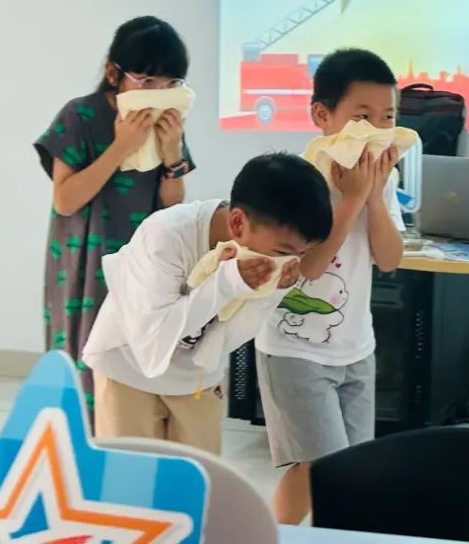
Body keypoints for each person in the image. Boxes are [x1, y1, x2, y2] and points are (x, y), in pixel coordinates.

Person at [82, 152, 333, 455]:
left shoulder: (273, 257)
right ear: (237, 223)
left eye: (301, 254)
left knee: (200, 475)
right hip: (128, 368)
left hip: (196, 380)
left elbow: (228, 337)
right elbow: (154, 339)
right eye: (283, 252)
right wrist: (226, 282)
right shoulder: (166, 235)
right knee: (131, 477)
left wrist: (269, 295)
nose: (290, 262)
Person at [255, 48, 405, 524]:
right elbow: (311, 267)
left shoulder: (380, 179)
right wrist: (353, 199)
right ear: (322, 115)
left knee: (343, 469)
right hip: (294, 352)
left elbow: (390, 259)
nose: (376, 129)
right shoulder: (301, 181)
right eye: (361, 117)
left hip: (356, 349)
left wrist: (374, 199)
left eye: (387, 117)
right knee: (321, 469)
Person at [35, 16, 195, 416]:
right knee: (82, 355)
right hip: (84, 260)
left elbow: (173, 205)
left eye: (170, 84)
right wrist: (121, 146)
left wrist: (172, 155)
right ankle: (78, 437)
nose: (158, 94)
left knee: (131, 359)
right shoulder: (80, 116)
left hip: (142, 257)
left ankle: (125, 436)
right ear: (113, 73)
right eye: (147, 81)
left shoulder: (167, 120)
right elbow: (65, 200)